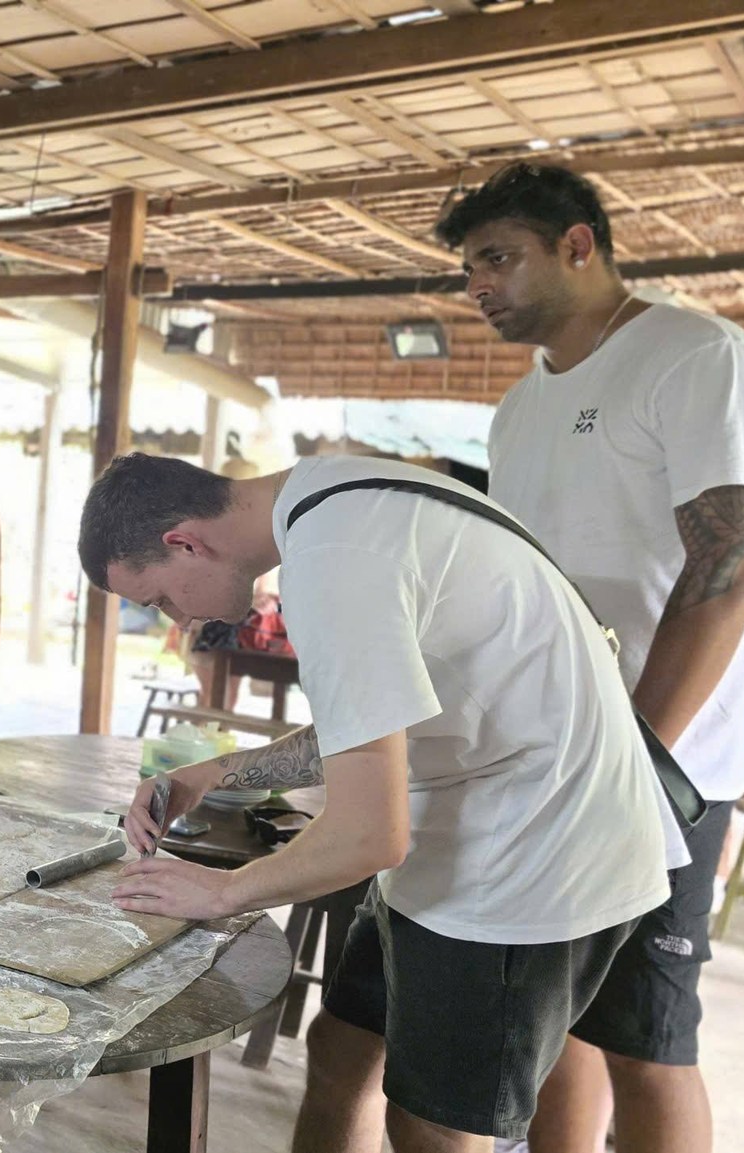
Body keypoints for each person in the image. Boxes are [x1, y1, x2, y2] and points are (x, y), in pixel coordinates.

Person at [87, 452, 672, 1152]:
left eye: (160, 599)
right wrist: (219, 771)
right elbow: (372, 719)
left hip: (534, 849)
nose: (181, 621)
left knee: (434, 1124)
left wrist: (222, 892)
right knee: (342, 1050)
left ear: (185, 541)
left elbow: (369, 835)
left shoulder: (332, 557)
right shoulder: (330, 498)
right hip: (467, 818)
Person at [440, 161, 744, 1153]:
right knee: (563, 1024)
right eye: (469, 270)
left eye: (498, 258)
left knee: (646, 1041)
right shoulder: (519, 410)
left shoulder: (696, 358)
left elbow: (731, 567)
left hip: (659, 772)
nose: (479, 286)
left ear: (578, 245)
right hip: (544, 763)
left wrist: (634, 758)